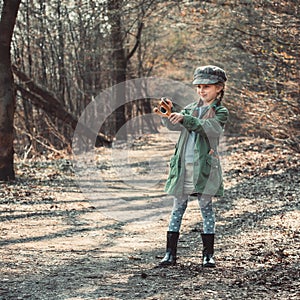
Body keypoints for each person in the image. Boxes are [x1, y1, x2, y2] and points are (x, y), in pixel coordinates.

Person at [158, 65, 229, 268]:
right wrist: (168, 113)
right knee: (177, 209)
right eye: (198, 86)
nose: (201, 90)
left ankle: (208, 255)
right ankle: (169, 254)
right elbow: (174, 124)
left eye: (206, 86)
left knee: (206, 209)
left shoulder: (220, 112)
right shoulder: (189, 107)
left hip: (205, 169)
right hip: (183, 167)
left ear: (219, 88)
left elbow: (210, 128)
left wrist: (185, 118)